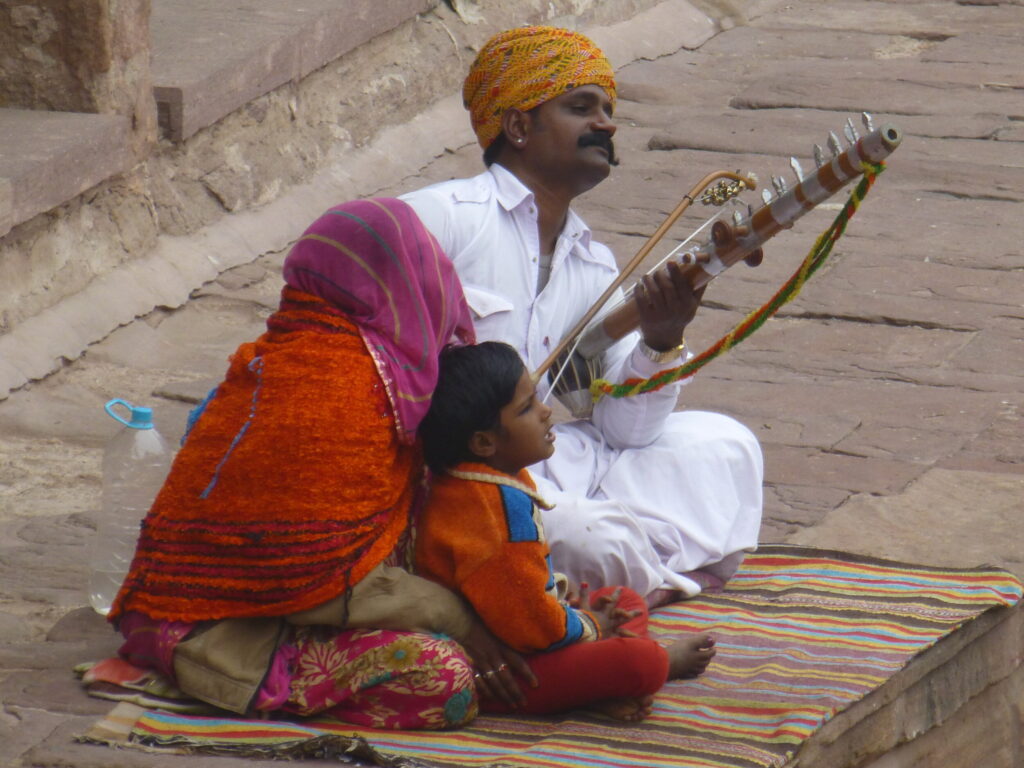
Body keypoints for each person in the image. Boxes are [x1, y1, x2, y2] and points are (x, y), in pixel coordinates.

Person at [105, 197, 535, 729]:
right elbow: (322, 573)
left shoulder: (314, 354)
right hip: (215, 629)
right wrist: (461, 621)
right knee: (444, 676)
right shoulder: (341, 385)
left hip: (275, 597)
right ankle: (271, 683)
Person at [401, 26, 764, 606]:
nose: (608, 124)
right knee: (596, 539)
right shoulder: (443, 218)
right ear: (518, 127)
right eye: (581, 107)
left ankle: (596, 588)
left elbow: (627, 432)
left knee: (724, 446)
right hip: (467, 484)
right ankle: (623, 586)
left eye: (609, 110)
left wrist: (662, 339)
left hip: (563, 464)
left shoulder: (593, 266)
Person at [416, 341, 716, 720]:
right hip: (503, 672)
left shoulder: (481, 483)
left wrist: (572, 607)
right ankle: (649, 669)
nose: (545, 412)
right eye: (526, 408)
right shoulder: (494, 516)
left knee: (623, 601)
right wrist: (590, 624)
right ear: (484, 442)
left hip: (523, 635)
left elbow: (522, 595)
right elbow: (533, 629)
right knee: (638, 660)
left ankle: (597, 688)